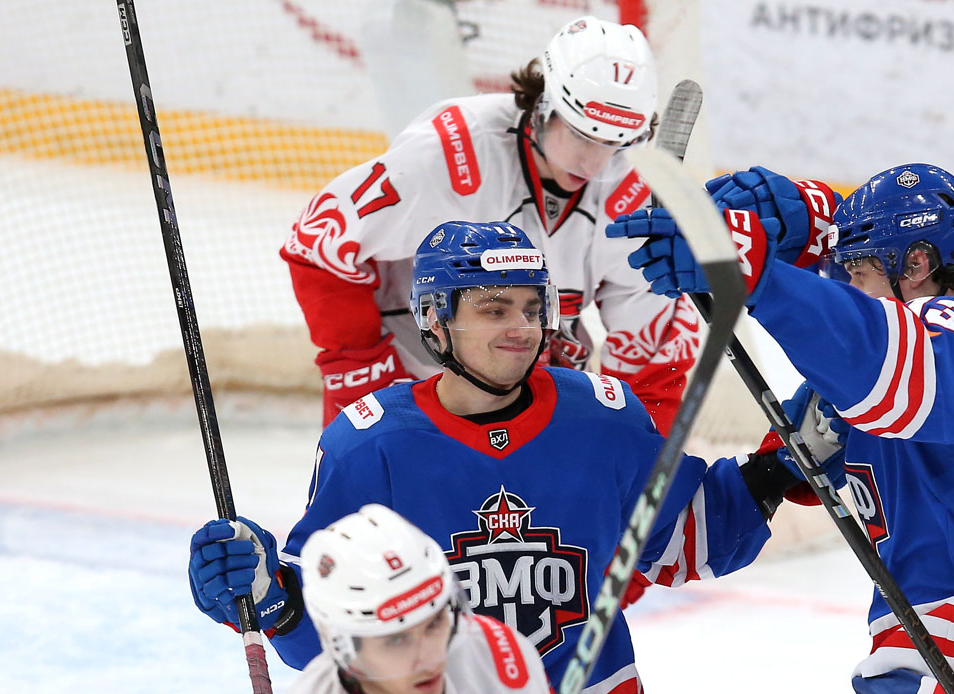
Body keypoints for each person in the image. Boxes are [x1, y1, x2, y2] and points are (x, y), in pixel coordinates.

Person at [191, 221, 781, 694]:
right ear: (435, 320)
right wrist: (271, 594)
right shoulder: (371, 446)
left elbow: (684, 537)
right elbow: (338, 633)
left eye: (532, 308)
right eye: (495, 310)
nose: (522, 328)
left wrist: (778, 470)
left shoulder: (603, 417)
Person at [607, 164, 954, 694]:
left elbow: (881, 356)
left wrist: (753, 269)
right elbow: (730, 513)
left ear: (916, 265)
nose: (844, 284)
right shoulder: (949, 352)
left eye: (856, 271)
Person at [283, 14, 698, 434]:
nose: (594, 163)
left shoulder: (633, 191)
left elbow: (650, 346)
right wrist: (362, 368)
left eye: (614, 143)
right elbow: (318, 245)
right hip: (412, 381)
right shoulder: (449, 153)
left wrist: (638, 441)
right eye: (581, 135)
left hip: (532, 386)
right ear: (544, 105)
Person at [223, 502, 586, 694]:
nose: (430, 657)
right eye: (396, 640)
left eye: (434, 623)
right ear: (341, 644)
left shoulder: (495, 657)